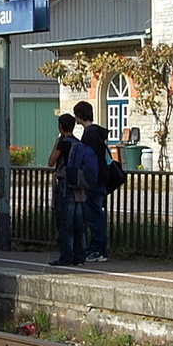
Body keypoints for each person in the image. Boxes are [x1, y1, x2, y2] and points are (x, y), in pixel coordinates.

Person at [73, 100, 111, 262]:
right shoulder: (97, 133)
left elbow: (88, 159)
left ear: (79, 116)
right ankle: (98, 248)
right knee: (97, 215)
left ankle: (98, 249)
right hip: (101, 179)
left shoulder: (88, 134)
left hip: (93, 181)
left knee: (94, 216)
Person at [47, 113, 87, 266]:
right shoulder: (78, 143)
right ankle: (80, 256)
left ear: (61, 127)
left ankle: (66, 256)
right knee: (79, 221)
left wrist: (57, 142)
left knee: (65, 221)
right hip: (79, 185)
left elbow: (51, 162)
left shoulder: (62, 143)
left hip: (65, 186)